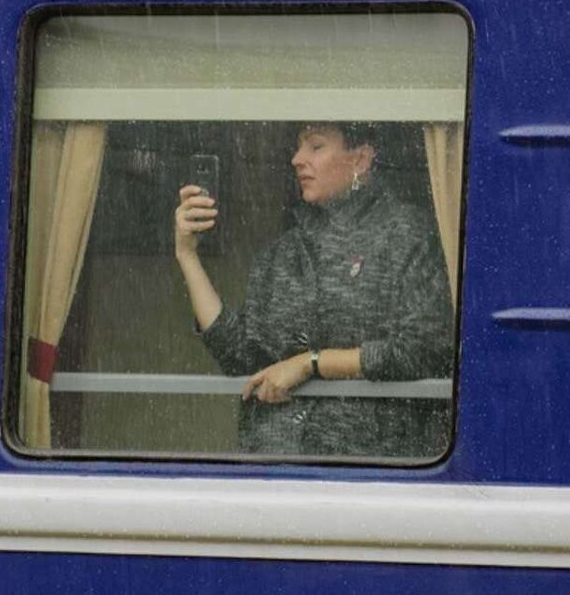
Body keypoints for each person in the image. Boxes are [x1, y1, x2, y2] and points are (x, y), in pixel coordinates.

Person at [173, 123, 454, 458]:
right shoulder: (284, 250)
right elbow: (241, 357)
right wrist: (187, 255)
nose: (297, 159)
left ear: (360, 160)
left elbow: (424, 350)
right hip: (272, 461)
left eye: (315, 147)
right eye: (298, 147)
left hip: (368, 466)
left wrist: (312, 363)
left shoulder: (407, 234)